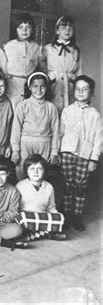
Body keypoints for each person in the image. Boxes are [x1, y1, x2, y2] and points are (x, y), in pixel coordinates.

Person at [59, 75, 101, 231]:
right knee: (67, 184)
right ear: (73, 91)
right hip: (67, 152)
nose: (81, 92)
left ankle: (77, 216)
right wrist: (58, 152)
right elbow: (60, 132)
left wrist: (94, 159)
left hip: (85, 154)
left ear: (91, 93)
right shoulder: (67, 110)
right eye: (77, 89)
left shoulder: (95, 115)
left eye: (85, 89)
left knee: (80, 186)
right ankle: (66, 215)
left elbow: (98, 138)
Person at [10, 72, 59, 181]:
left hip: (45, 144)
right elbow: (16, 128)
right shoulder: (23, 105)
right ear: (30, 88)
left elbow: (56, 131)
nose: (39, 90)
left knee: (41, 175)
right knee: (22, 173)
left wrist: (54, 152)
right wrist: (16, 149)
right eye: (35, 86)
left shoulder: (51, 107)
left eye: (42, 86)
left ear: (47, 88)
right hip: (25, 144)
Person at [16, 154, 66, 241]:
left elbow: (51, 207)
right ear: (26, 171)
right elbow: (16, 208)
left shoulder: (49, 187)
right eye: (32, 169)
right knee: (22, 218)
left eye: (39, 169)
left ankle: (33, 235)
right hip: (27, 218)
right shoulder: (20, 186)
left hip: (41, 217)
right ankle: (47, 234)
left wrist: (57, 216)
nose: (35, 172)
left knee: (60, 217)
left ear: (44, 171)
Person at [40, 15, 83, 113]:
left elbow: (80, 73)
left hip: (70, 88)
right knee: (52, 113)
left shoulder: (76, 51)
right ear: (57, 30)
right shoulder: (47, 49)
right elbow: (42, 70)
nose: (67, 29)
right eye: (63, 27)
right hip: (53, 87)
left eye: (70, 27)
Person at [3, 13, 42, 108]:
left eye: (28, 27)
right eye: (20, 27)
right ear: (15, 29)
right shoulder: (8, 46)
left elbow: (40, 67)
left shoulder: (37, 47)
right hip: (12, 86)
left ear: (32, 29)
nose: (24, 30)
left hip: (29, 86)